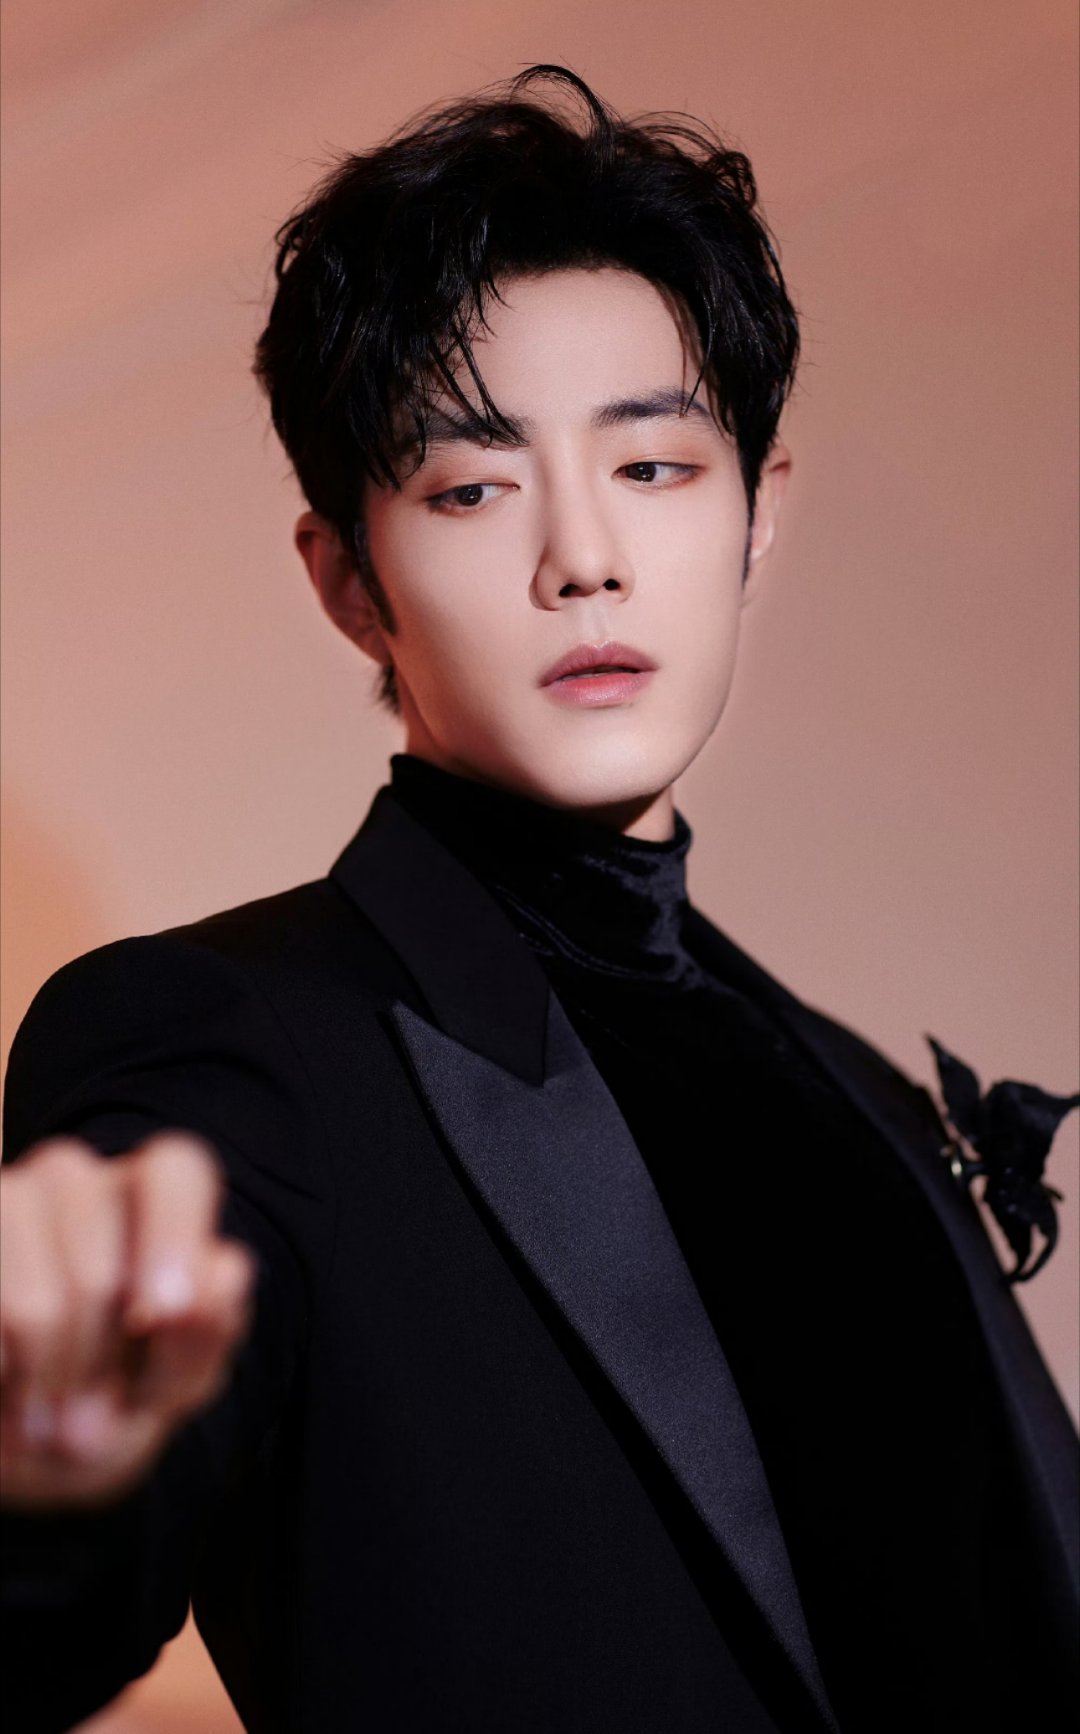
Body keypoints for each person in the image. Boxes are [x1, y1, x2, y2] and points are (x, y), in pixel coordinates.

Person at [1, 64, 1076, 1734]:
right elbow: (52, 1579)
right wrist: (51, 1475)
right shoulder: (233, 1045)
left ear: (759, 515)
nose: (585, 557)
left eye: (654, 466)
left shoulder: (854, 1085)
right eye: (471, 488)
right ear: (350, 581)